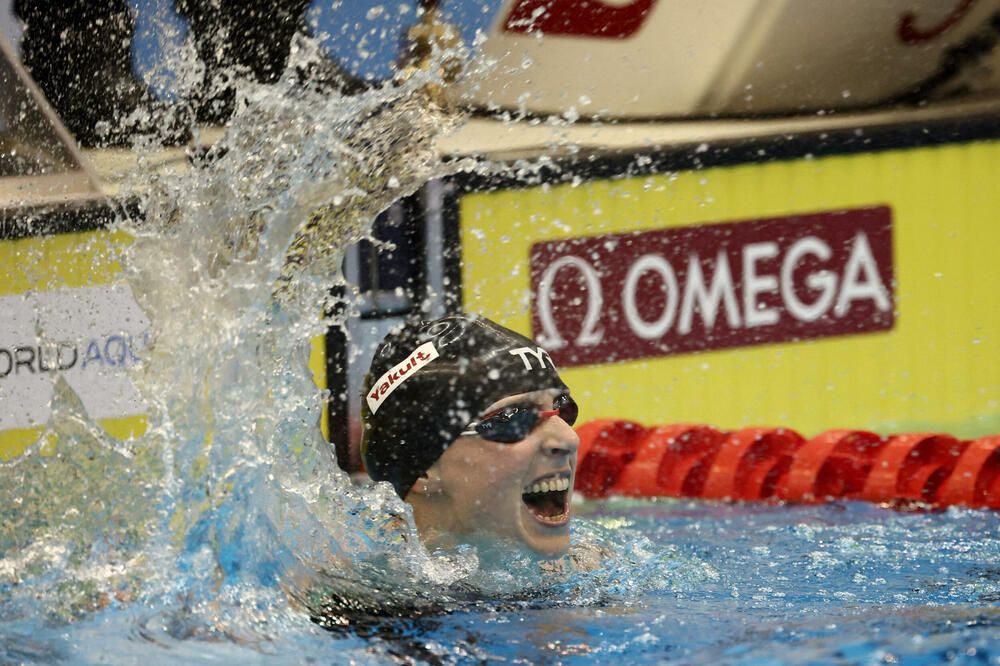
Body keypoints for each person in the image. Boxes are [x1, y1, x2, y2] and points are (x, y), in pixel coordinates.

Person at [360, 314, 579, 559]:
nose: (570, 439)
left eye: (563, 408)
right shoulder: (354, 575)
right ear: (424, 469)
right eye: (516, 418)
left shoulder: (589, 562)